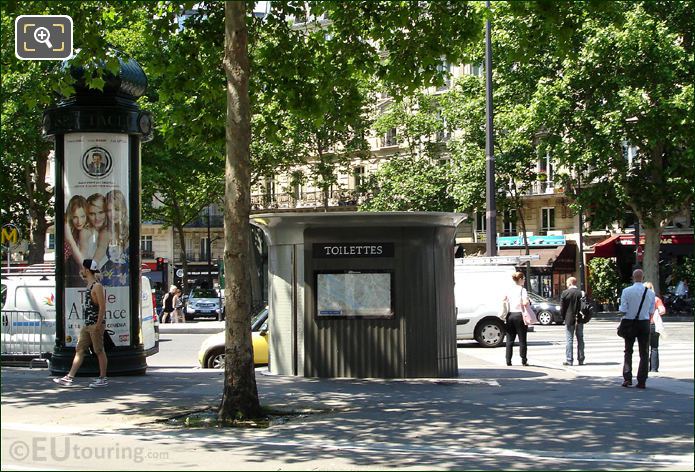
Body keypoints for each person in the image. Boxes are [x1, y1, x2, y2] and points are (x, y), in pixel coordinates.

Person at [53, 259, 109, 388]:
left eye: (83, 268)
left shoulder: (97, 286)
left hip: (95, 324)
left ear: (88, 270)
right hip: (88, 324)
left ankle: (103, 377)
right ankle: (70, 377)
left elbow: (102, 307)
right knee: (80, 349)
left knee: (99, 350)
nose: (81, 271)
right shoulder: (89, 285)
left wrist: (98, 325)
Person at [618, 269, 656, 389]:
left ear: (633, 278)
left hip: (630, 322)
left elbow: (623, 310)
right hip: (644, 322)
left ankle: (627, 378)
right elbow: (651, 311)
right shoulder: (650, 293)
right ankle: (642, 380)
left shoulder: (626, 291)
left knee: (628, 351)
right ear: (643, 278)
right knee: (644, 352)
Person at [504, 272, 530, 366]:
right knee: (522, 339)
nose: (524, 280)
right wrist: (526, 302)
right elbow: (525, 302)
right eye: (523, 279)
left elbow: (504, 300)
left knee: (510, 339)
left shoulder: (509, 290)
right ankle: (523, 360)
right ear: (520, 279)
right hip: (519, 315)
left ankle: (508, 360)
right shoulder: (522, 290)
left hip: (510, 315)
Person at [560, 277, 585, 366]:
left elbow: (562, 308)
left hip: (569, 318)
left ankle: (569, 360)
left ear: (570, 283)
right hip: (580, 319)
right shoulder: (581, 293)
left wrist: (563, 318)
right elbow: (585, 306)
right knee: (580, 339)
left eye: (567, 283)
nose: (566, 285)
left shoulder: (565, 293)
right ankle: (581, 359)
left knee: (569, 340)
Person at [644, 282, 666, 373]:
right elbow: (662, 310)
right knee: (654, 347)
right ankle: (654, 368)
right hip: (654, 324)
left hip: (644, 324)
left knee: (644, 348)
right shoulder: (656, 299)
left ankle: (644, 368)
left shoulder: (641, 299)